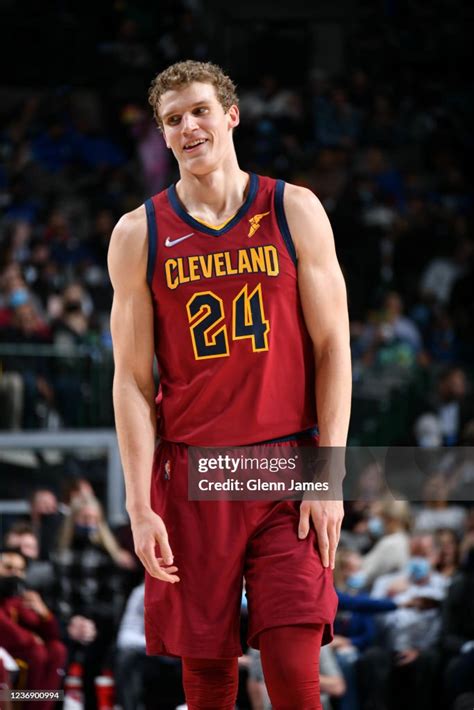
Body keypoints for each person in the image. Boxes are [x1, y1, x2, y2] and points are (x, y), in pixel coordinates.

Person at [108, 59, 351, 710]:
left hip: (286, 467)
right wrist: (138, 503)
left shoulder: (292, 208)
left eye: (199, 110)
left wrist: (328, 475)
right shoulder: (139, 233)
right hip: (193, 471)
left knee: (296, 673)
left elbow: (334, 349)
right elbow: (131, 381)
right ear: (162, 136)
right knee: (208, 681)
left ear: (231, 114)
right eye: (173, 119)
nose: (189, 126)